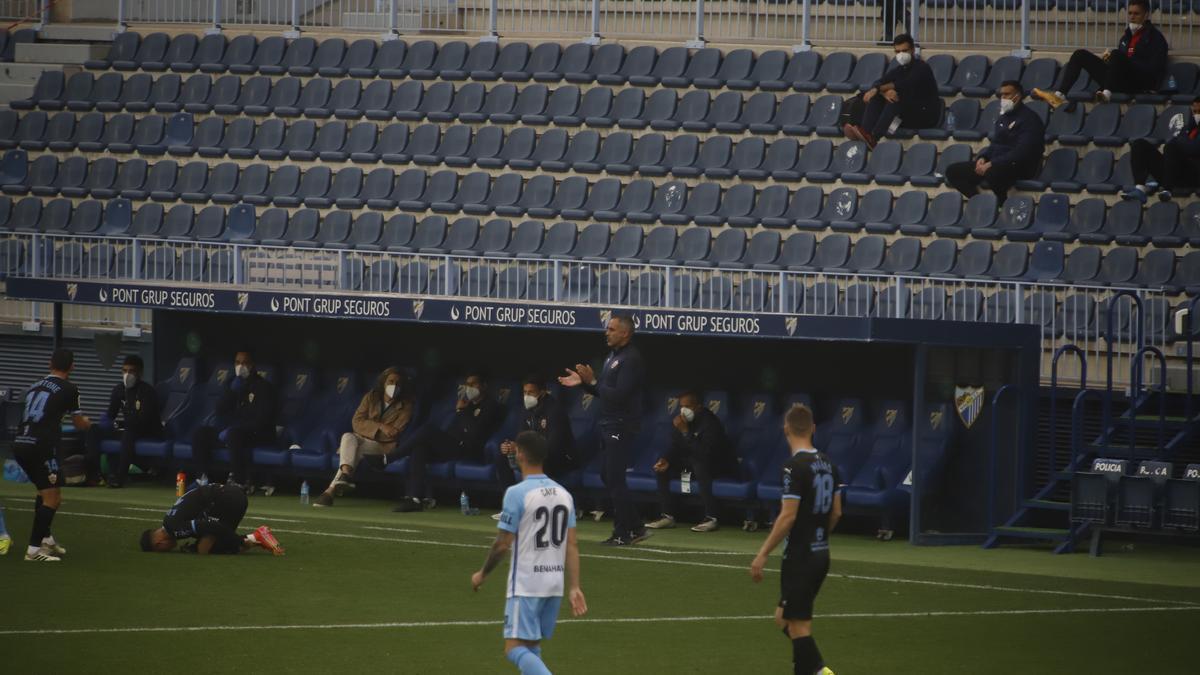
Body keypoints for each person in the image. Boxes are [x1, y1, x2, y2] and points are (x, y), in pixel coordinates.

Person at [471, 431, 587, 675]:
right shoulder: (564, 494)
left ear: (521, 454)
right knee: (532, 648)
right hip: (554, 583)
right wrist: (575, 586)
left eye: (515, 450)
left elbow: (502, 544)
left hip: (526, 585)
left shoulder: (517, 493)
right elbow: (572, 545)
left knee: (513, 649)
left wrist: (482, 574)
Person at [751, 404, 842, 675]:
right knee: (784, 619)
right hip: (820, 552)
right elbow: (836, 511)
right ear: (813, 428)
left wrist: (763, 552)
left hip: (801, 556)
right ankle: (815, 669)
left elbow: (787, 516)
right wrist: (818, 536)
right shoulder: (829, 464)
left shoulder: (794, 467)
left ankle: (820, 672)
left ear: (786, 429)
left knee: (799, 627)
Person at [559, 314, 648, 546]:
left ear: (625, 333)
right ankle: (636, 526)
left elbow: (619, 396)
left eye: (611, 329)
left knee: (615, 478)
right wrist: (586, 384)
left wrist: (594, 382)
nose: (606, 333)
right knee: (607, 476)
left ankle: (622, 533)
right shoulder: (612, 357)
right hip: (608, 422)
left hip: (621, 424)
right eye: (607, 329)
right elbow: (604, 394)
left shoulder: (631, 359)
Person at [12, 348, 92, 562]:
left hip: (20, 443)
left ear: (50, 364)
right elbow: (77, 422)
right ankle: (33, 550)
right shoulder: (70, 388)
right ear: (72, 367)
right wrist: (87, 424)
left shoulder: (34, 386)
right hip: (41, 447)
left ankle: (46, 539)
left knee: (45, 491)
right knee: (52, 497)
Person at [392, 371, 503, 512]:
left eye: (473, 384)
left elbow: (474, 432)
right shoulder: (466, 405)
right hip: (453, 447)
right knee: (419, 449)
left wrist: (461, 411)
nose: (469, 387)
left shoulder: (491, 406)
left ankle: (393, 456)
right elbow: (453, 430)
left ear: (484, 386)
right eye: (467, 384)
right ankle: (414, 499)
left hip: (470, 449)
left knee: (428, 429)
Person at [1033, 0, 1168, 108]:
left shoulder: (1155, 39)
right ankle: (1059, 95)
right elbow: (1119, 63)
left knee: (1116, 54)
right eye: (1130, 13)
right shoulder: (1126, 37)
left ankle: (1106, 94)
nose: (1132, 17)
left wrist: (1125, 60)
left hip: (1139, 84)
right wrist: (1110, 61)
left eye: (1136, 14)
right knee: (1080, 54)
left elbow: (1154, 69)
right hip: (1119, 81)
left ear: (1146, 15)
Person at [313, 367, 414, 508]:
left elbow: (393, 434)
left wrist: (369, 428)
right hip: (361, 440)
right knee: (348, 436)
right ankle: (340, 481)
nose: (394, 386)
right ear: (384, 383)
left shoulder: (406, 406)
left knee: (355, 448)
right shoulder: (371, 397)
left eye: (398, 383)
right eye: (391, 381)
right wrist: (381, 426)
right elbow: (356, 422)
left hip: (384, 447)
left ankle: (335, 485)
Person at [645, 390, 739, 533]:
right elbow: (676, 446)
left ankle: (711, 518)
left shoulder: (710, 423)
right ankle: (667, 516)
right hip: (693, 465)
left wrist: (685, 432)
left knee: (700, 465)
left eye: (688, 406)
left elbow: (704, 453)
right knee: (663, 469)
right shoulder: (682, 421)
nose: (683, 410)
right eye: (681, 406)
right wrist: (666, 459)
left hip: (717, 466)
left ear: (698, 407)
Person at [191, 350, 278, 493]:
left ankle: (239, 482)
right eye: (237, 362)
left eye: (245, 363)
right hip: (233, 432)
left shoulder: (263, 386)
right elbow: (219, 410)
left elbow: (263, 419)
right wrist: (232, 392)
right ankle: (202, 479)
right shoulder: (231, 383)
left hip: (256, 433)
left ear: (252, 365)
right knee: (200, 433)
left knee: (234, 434)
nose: (241, 366)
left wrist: (238, 428)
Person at [945, 80, 1045, 201]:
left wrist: (992, 163)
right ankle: (978, 201)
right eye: (1001, 95)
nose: (1003, 98)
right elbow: (995, 144)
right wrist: (983, 158)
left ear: (1017, 96)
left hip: (1021, 165)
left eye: (1007, 94)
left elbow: (1022, 151)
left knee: (992, 172)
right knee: (953, 172)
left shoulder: (1030, 119)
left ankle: (1001, 202)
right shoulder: (1003, 117)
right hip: (997, 163)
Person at [843, 34, 940, 148]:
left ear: (913, 50)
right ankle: (866, 133)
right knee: (878, 97)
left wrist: (880, 89)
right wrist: (881, 92)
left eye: (905, 50)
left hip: (924, 117)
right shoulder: (899, 69)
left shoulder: (922, 68)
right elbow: (879, 81)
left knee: (895, 99)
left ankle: (874, 137)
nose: (901, 55)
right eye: (897, 52)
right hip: (902, 118)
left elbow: (905, 84)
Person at [83, 354, 163, 488]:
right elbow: (111, 414)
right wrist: (106, 424)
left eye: (131, 371)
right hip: (128, 429)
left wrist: (122, 425)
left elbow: (143, 420)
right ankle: (94, 474)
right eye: (124, 371)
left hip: (147, 431)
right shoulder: (119, 390)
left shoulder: (147, 391)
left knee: (129, 431)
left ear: (140, 373)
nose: (127, 374)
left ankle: (120, 477)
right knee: (94, 430)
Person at [139, 482, 284, 555]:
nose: (170, 549)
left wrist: (237, 540)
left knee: (205, 548)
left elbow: (210, 526)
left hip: (226, 500)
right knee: (215, 541)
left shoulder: (174, 529)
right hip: (230, 495)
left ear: (159, 543)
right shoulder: (169, 520)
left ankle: (255, 536)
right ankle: (257, 536)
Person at [496, 374, 578, 488]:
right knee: (503, 458)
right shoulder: (526, 410)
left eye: (531, 392)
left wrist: (522, 449)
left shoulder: (555, 411)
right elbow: (521, 436)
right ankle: (511, 499)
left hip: (558, 459)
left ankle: (537, 500)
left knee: (534, 461)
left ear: (543, 393)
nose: (527, 396)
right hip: (534, 455)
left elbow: (553, 447)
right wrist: (511, 447)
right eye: (525, 392)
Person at [1122, 96, 1200, 203]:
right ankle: (1140, 189)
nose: (1197, 115)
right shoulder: (1187, 128)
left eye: (1199, 111)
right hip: (1174, 171)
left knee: (1171, 147)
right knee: (1139, 144)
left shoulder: (1187, 131)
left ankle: (1167, 190)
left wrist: (1183, 142)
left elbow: (1194, 148)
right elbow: (1179, 143)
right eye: (1195, 111)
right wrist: (1184, 141)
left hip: (1194, 175)